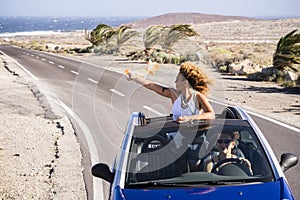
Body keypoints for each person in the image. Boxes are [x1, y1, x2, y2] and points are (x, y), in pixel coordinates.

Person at [126, 62, 215, 122]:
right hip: (175, 135)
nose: (175, 82)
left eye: (177, 80)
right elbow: (153, 86)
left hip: (195, 137)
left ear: (185, 83)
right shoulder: (173, 94)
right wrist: (135, 78)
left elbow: (211, 114)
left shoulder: (198, 97)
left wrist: (189, 118)